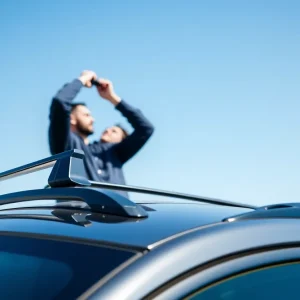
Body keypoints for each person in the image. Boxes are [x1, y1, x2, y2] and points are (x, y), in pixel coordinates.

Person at [48, 70, 154, 196]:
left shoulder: (114, 152)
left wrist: (111, 97)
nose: (93, 119)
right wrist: (83, 79)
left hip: (121, 214)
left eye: (114, 131)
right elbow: (60, 102)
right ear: (72, 118)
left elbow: (146, 128)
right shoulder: (66, 147)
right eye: (86, 115)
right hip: (81, 214)